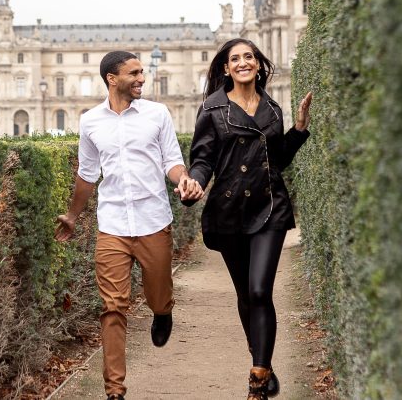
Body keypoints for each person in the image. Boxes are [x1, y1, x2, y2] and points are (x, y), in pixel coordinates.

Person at [56, 50, 203, 400]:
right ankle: (114, 391)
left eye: (142, 72)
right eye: (134, 73)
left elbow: (172, 161)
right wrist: (73, 215)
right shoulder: (91, 121)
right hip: (113, 226)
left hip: (153, 220)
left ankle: (162, 311)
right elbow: (87, 174)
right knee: (112, 306)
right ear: (112, 78)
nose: (142, 78)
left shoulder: (157, 114)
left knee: (157, 293)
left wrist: (184, 180)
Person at [186, 38, 312, 400]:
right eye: (235, 58)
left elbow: (278, 160)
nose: (243, 62)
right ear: (226, 68)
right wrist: (194, 181)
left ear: (258, 64)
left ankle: (257, 381)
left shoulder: (272, 109)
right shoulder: (212, 109)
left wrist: (299, 129)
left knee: (259, 290)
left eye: (249, 56)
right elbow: (203, 158)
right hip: (228, 213)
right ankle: (262, 357)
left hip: (269, 208)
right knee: (246, 294)